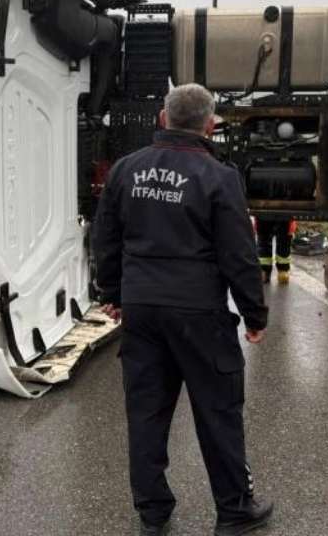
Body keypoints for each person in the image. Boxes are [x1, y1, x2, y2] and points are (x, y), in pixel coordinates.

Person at [92, 83, 273, 536]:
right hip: (198, 313)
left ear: (161, 117)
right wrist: (254, 314)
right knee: (218, 410)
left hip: (142, 310)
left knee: (147, 412)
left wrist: (111, 292)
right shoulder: (218, 175)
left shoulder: (125, 170)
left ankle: (153, 514)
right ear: (210, 125)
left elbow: (105, 236)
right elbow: (238, 253)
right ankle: (234, 511)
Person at [254, 216, 296, 285]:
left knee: (281, 241)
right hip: (272, 211)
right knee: (267, 240)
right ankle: (266, 270)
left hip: (276, 211)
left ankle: (281, 270)